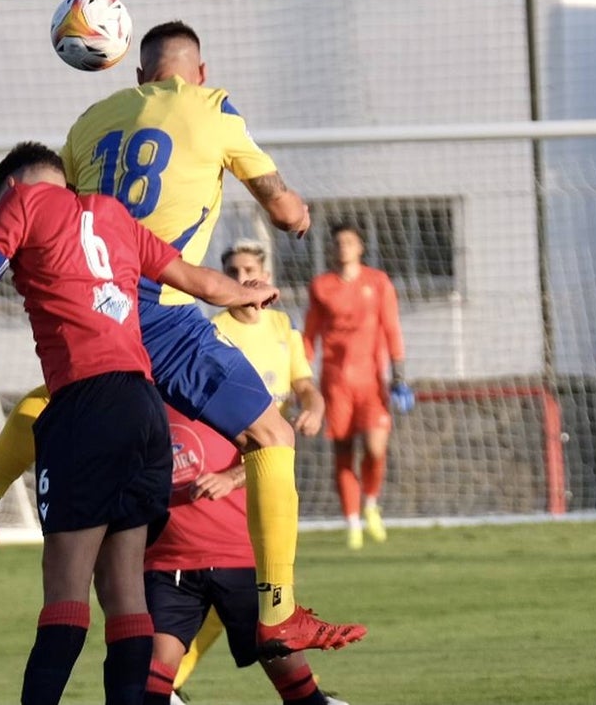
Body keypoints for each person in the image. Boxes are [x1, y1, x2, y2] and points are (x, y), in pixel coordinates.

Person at [0, 20, 364, 658]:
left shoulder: (87, 123)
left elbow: (73, 225)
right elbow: (279, 206)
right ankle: (276, 610)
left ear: (139, 78)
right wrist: (297, 214)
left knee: (67, 399)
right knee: (270, 435)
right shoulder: (215, 108)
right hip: (162, 304)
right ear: (198, 72)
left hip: (95, 302)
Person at [0, 141, 280, 705]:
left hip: (84, 407)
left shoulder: (20, 202)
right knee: (124, 590)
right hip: (143, 409)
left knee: (66, 587)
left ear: (14, 188)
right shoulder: (112, 213)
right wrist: (250, 293)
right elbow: (196, 281)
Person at [168, 238, 328, 697]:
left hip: (265, 463)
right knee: (245, 586)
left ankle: (167, 684)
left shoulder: (283, 327)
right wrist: (229, 474)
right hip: (220, 460)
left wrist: (313, 406)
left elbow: (304, 384)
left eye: (249, 270)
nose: (242, 279)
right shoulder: (212, 331)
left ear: (266, 276)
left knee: (248, 589)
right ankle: (307, 693)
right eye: (232, 272)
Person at [145, 407, 348, 705]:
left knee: (282, 662)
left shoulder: (222, 394)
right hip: (169, 562)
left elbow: (276, 445)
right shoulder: (139, 397)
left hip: (240, 558)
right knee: (151, 677)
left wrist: (231, 477)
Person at [302, 223, 412, 551]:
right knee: (344, 452)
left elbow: (391, 326)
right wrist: (301, 377)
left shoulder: (377, 282)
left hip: (372, 382)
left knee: (377, 447)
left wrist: (399, 373)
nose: (343, 247)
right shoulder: (321, 286)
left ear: (361, 246)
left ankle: (371, 504)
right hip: (335, 383)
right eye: (337, 242)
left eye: (349, 241)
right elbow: (310, 333)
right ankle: (352, 522)